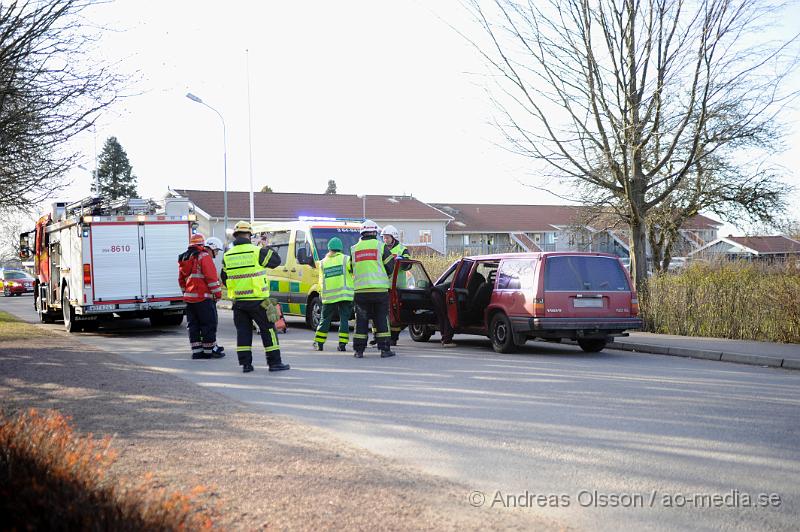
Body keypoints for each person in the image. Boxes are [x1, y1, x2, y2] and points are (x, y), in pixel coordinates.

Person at [221, 220, 290, 374]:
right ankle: (274, 363)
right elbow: (276, 261)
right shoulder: (257, 251)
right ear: (249, 234)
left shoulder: (227, 255)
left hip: (239, 302)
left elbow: (224, 277)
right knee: (269, 330)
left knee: (243, 332)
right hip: (258, 300)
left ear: (235, 236)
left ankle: (246, 365)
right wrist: (265, 245)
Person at [349, 220, 395, 358]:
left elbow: (351, 269)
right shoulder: (381, 247)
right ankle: (385, 349)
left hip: (361, 291)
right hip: (379, 291)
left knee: (361, 321)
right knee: (381, 319)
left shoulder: (354, 249)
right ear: (375, 232)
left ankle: (359, 350)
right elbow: (390, 267)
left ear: (362, 233)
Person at [178, 233, 224, 359]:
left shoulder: (184, 258)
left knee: (193, 325)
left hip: (189, 299)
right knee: (208, 324)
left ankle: (197, 351)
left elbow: (181, 280)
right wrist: (217, 294)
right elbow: (211, 278)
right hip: (204, 298)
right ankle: (209, 351)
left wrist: (186, 293)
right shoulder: (204, 256)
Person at [312, 237, 353, 352]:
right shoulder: (346, 259)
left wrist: (321, 293)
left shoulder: (322, 263)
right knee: (344, 319)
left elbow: (320, 280)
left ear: (329, 248)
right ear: (340, 248)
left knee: (325, 320)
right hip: (345, 295)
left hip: (329, 297)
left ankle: (319, 343)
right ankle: (342, 344)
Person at [380, 224, 410, 346]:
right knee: (385, 313)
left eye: (387, 237)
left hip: (398, 286)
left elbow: (408, 264)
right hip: (385, 285)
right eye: (384, 237)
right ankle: (382, 337)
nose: (385, 240)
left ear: (394, 237)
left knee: (396, 312)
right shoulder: (381, 248)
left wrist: (402, 260)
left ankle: (394, 338)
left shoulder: (402, 249)